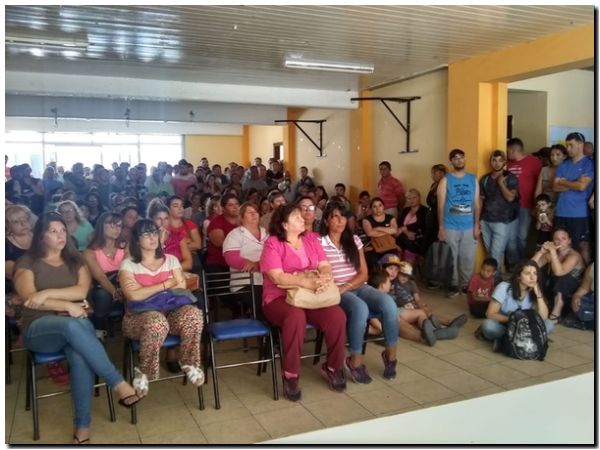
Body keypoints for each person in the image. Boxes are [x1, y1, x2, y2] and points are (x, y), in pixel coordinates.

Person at [13, 212, 143, 444]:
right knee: (73, 326)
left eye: (63, 230)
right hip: (39, 328)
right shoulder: (28, 262)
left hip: (74, 326)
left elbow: (81, 291)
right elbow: (30, 299)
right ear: (41, 235)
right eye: (53, 231)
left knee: (80, 355)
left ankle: (82, 427)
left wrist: (47, 293)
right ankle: (118, 383)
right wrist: (66, 305)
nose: (60, 235)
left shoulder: (76, 260)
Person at [260, 203, 347, 401]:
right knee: (295, 317)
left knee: (337, 317)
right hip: (278, 297)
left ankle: (333, 367)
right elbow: (277, 277)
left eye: (302, 216)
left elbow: (325, 265)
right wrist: (305, 281)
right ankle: (290, 374)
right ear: (284, 224)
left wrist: (324, 277)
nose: (303, 219)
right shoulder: (273, 244)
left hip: (310, 296)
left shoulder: (311, 239)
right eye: (297, 217)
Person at [119, 219, 205, 392]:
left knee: (193, 314)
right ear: (137, 240)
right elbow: (133, 295)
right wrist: (166, 284)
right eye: (146, 234)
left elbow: (180, 287)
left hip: (170, 314)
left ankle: (189, 362)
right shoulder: (128, 264)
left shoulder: (171, 260)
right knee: (157, 322)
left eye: (154, 232)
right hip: (138, 320)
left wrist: (146, 291)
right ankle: (144, 370)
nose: (152, 237)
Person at [318, 201, 399, 382]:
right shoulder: (319, 243)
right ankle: (355, 362)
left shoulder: (354, 240)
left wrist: (347, 286)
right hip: (336, 292)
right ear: (326, 221)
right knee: (360, 308)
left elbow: (363, 273)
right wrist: (340, 289)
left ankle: (391, 356)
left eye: (343, 216)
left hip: (357, 286)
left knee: (389, 304)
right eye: (335, 217)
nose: (341, 220)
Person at [378, 257, 467, 345]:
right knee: (397, 320)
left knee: (421, 312)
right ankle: (424, 337)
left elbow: (416, 299)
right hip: (386, 313)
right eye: (390, 268)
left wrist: (420, 305)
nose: (393, 272)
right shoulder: (380, 281)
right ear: (382, 268)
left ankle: (434, 331)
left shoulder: (395, 281)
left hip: (399, 309)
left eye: (396, 269)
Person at [477, 260, 562, 350]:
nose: (532, 277)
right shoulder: (504, 287)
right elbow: (490, 314)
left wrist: (539, 295)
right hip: (504, 324)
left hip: (524, 328)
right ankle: (526, 340)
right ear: (518, 276)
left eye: (535, 273)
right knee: (488, 326)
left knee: (549, 324)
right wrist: (514, 320)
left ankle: (505, 341)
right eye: (528, 273)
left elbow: (543, 317)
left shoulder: (534, 291)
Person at [437, 148, 480, 297]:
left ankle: (466, 285)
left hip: (469, 226)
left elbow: (476, 204)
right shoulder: (445, 180)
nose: (459, 160)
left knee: (468, 257)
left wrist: (476, 225)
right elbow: (440, 205)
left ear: (464, 159)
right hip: (450, 226)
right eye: (455, 158)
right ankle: (454, 285)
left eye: (461, 157)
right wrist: (441, 227)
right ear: (451, 162)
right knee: (452, 258)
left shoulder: (473, 179)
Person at [553, 132, 594, 265]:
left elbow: (582, 186)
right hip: (561, 211)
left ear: (580, 144)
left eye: (571, 145)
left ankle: (586, 274)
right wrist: (574, 183)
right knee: (560, 246)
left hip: (579, 213)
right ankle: (562, 273)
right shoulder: (563, 165)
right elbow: (555, 187)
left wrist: (563, 181)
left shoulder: (589, 164)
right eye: (567, 145)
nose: (568, 149)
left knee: (582, 245)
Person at [83, 212, 127, 338]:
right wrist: (115, 292)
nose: (117, 229)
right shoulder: (90, 252)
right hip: (101, 287)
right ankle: (98, 329)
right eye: (113, 225)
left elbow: (127, 272)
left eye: (119, 226)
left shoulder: (125, 247)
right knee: (103, 295)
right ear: (102, 225)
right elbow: (101, 278)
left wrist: (123, 289)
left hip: (123, 282)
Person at [479, 150, 519, 281]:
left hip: (502, 221)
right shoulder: (485, 179)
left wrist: (501, 183)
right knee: (490, 253)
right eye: (494, 160)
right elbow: (481, 200)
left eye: (500, 160)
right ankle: (497, 278)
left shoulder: (510, 177)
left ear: (504, 162)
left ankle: (494, 281)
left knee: (495, 253)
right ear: (490, 162)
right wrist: (478, 220)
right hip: (485, 220)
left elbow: (510, 198)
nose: (497, 163)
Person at [223, 202, 268, 316]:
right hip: (245, 282)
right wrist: (248, 264)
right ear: (241, 217)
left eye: (256, 212)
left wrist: (259, 265)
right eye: (249, 212)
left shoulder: (267, 233)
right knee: (262, 302)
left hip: (269, 279)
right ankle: (266, 327)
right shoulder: (235, 234)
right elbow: (231, 257)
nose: (254, 214)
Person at [505, 138, 542, 270]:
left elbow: (540, 184)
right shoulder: (506, 163)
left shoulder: (534, 162)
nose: (507, 153)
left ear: (512, 150)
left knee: (522, 237)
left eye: (508, 151)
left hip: (526, 206)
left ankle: (522, 265)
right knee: (510, 238)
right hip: (509, 207)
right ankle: (513, 265)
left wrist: (536, 206)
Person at [532, 228, 585, 319]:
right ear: (553, 241)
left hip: (572, 289)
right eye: (557, 239)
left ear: (569, 241)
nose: (560, 242)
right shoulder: (552, 253)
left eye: (563, 239)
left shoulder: (574, 255)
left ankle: (557, 310)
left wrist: (553, 252)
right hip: (555, 286)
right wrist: (541, 252)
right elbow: (531, 265)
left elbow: (559, 272)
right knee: (535, 273)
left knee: (563, 278)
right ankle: (543, 302)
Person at [205, 193, 240, 274]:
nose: (235, 207)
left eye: (237, 204)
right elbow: (221, 243)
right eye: (230, 205)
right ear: (223, 208)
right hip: (219, 264)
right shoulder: (216, 222)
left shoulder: (243, 220)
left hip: (239, 262)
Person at [362, 196, 399, 269]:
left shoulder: (391, 218)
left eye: (380, 205)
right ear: (371, 208)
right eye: (374, 206)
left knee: (392, 261)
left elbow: (394, 230)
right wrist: (388, 231)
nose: (378, 208)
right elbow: (370, 233)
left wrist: (378, 228)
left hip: (389, 245)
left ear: (383, 206)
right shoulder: (366, 219)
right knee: (372, 261)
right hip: (373, 246)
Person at [396, 188, 428, 264]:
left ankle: (407, 266)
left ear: (419, 198)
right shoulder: (405, 210)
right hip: (403, 235)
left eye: (414, 197)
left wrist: (405, 228)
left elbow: (421, 224)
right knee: (396, 241)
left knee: (410, 243)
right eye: (409, 198)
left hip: (417, 237)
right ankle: (397, 265)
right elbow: (399, 223)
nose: (411, 200)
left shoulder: (425, 211)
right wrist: (406, 231)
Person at [423, 164, 447, 256]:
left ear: (441, 173)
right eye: (432, 173)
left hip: (438, 219)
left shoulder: (445, 186)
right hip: (431, 219)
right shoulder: (434, 185)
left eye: (434, 173)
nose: (432, 175)